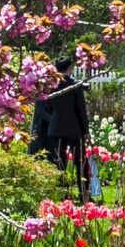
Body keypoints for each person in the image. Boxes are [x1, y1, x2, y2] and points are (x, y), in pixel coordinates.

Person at [37, 52, 94, 197]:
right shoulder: (75, 84)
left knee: (59, 162)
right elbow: (81, 109)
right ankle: (84, 193)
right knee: (80, 161)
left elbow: (45, 105)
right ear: (70, 68)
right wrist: (85, 130)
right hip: (74, 128)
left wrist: (53, 117)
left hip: (55, 128)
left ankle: (61, 193)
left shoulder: (50, 85)